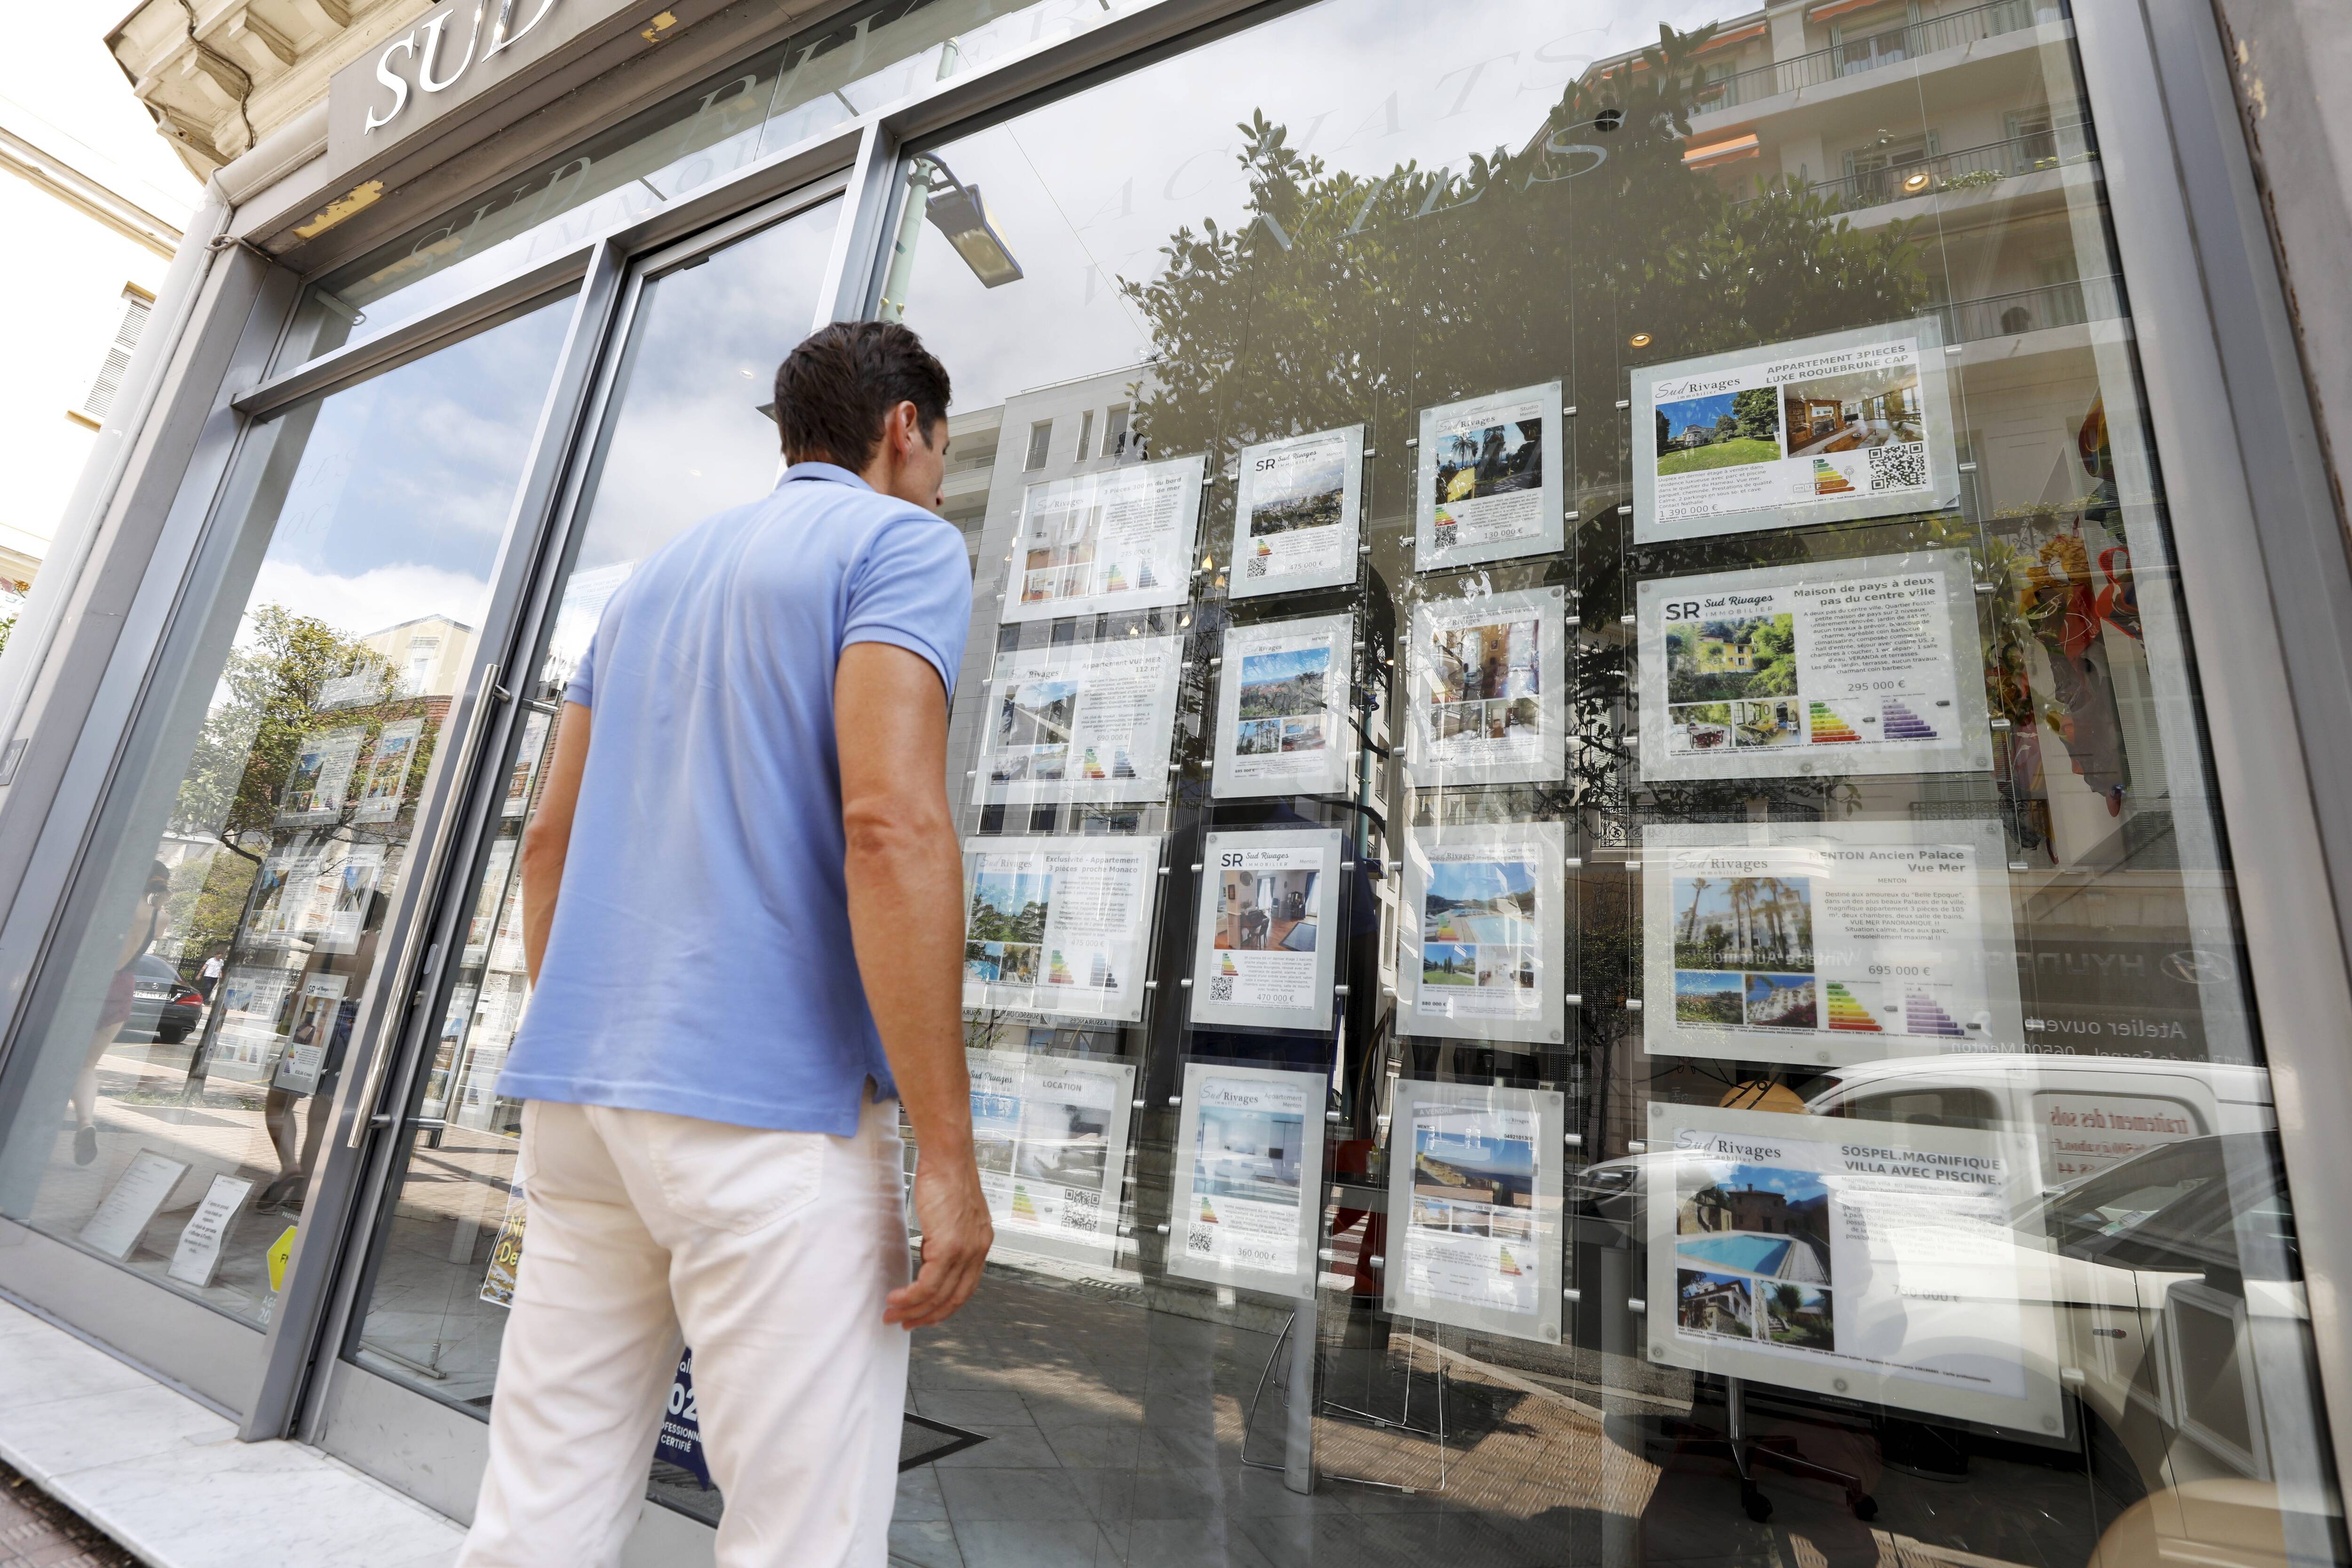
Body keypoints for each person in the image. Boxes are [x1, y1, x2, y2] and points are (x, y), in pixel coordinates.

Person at [456, 321, 990, 1568]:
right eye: (941, 453)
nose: (940, 482)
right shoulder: (902, 542)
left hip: (581, 1100)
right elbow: (892, 823)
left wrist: (594, 1029)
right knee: (800, 1535)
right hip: (767, 1115)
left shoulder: (648, 581)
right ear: (904, 428)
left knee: (538, 1505)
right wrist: (946, 1151)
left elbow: (549, 841)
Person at [70, 860, 172, 1165]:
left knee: (54, 1054)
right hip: (122, 986)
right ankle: (86, 1122)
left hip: (88, 981)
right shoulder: (159, 917)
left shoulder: (113, 905)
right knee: (88, 1065)